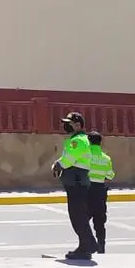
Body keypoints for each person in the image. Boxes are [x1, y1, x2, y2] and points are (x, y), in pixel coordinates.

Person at [50, 111, 97, 260]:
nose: (65, 126)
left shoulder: (77, 141)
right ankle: (89, 243)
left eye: (68, 123)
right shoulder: (80, 139)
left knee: (77, 215)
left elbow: (69, 158)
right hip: (78, 180)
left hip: (76, 180)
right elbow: (69, 157)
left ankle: (86, 246)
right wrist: (59, 163)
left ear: (77, 125)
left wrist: (58, 165)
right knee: (79, 215)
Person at [86, 130, 115, 254]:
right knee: (100, 221)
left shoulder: (85, 156)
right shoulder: (106, 158)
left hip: (86, 190)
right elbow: (110, 175)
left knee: (83, 219)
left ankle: (87, 244)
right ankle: (101, 246)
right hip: (100, 191)